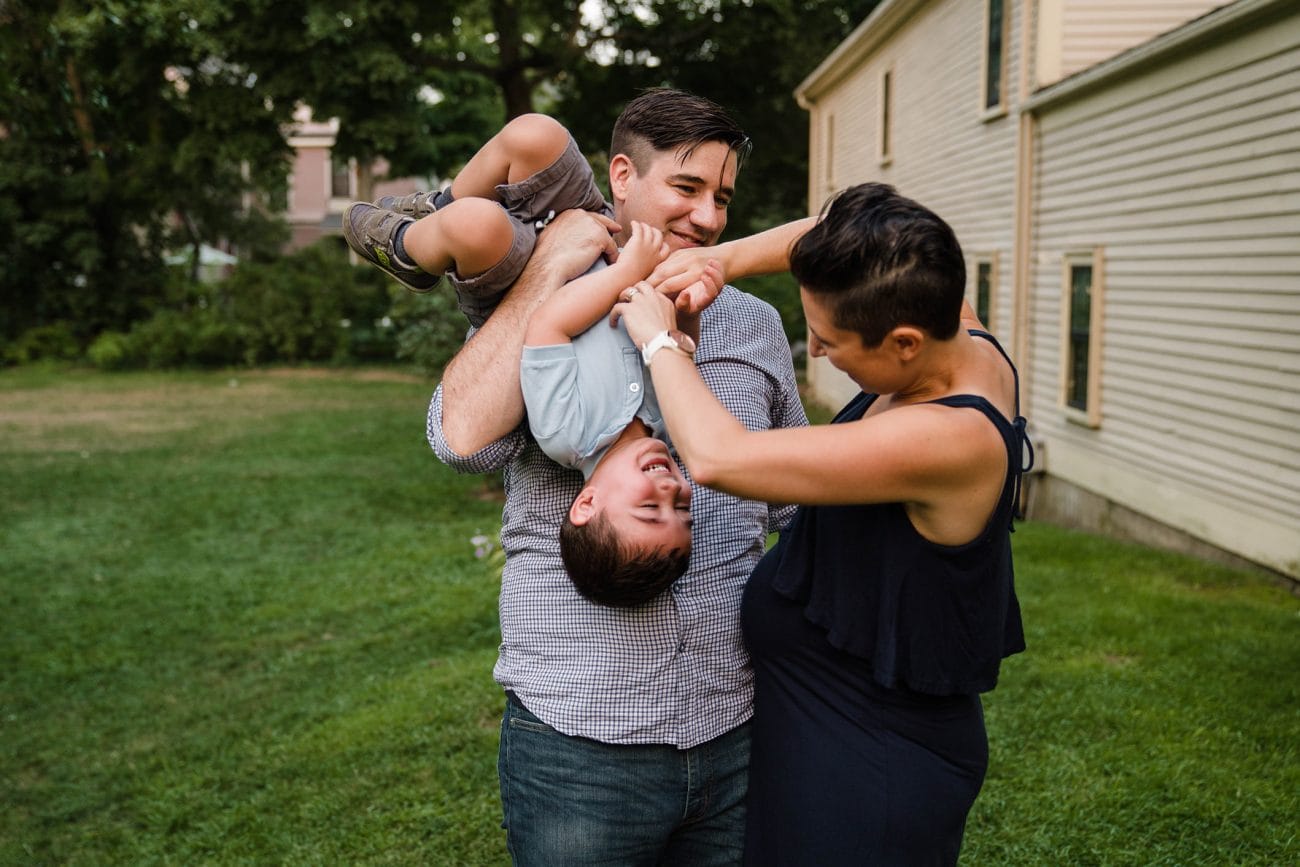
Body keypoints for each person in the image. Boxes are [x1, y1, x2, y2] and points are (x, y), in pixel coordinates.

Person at [424, 87, 810, 864]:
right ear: (623, 176)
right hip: (579, 743)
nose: (707, 218)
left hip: (733, 725)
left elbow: (793, 505)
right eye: (688, 188)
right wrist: (558, 265)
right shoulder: (544, 291)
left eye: (723, 200)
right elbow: (460, 442)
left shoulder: (756, 325)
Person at [616, 182, 1033, 865]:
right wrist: (722, 260)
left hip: (875, 759)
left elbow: (720, 456)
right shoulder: (942, 311)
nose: (813, 349)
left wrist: (660, 338)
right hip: (824, 726)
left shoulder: (953, 437)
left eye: (830, 338)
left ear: (903, 342)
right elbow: (833, 234)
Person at [344, 113, 729, 607]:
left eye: (650, 508)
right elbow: (677, 343)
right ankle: (432, 207)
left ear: (587, 504)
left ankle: (407, 249)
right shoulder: (671, 424)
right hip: (596, 225)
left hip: (524, 276)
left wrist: (626, 273)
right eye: (681, 506)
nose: (666, 488)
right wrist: (689, 307)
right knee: (534, 134)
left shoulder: (568, 435)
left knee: (474, 225)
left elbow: (547, 324)